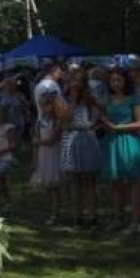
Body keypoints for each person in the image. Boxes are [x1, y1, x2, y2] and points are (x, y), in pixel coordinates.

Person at [101, 69, 140, 234]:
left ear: (125, 81)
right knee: (116, 184)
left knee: (135, 184)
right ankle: (118, 218)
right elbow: (103, 118)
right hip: (112, 142)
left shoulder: (134, 98)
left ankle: (137, 222)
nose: (115, 84)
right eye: (112, 80)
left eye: (118, 80)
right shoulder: (107, 99)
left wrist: (118, 127)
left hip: (129, 141)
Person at [61, 69, 103, 226]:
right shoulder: (63, 98)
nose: (76, 84)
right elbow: (64, 121)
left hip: (87, 137)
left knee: (89, 179)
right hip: (71, 139)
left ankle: (92, 215)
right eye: (74, 80)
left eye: (79, 81)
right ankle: (77, 215)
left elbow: (100, 109)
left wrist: (93, 123)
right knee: (75, 180)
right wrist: (72, 100)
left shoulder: (89, 98)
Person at [30, 94, 64, 224]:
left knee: (54, 186)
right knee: (47, 186)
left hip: (53, 155)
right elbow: (35, 138)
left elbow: (52, 140)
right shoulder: (40, 121)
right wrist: (35, 158)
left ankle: (56, 213)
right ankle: (51, 210)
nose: (44, 108)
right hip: (43, 155)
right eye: (42, 106)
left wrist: (37, 142)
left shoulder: (57, 122)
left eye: (47, 105)